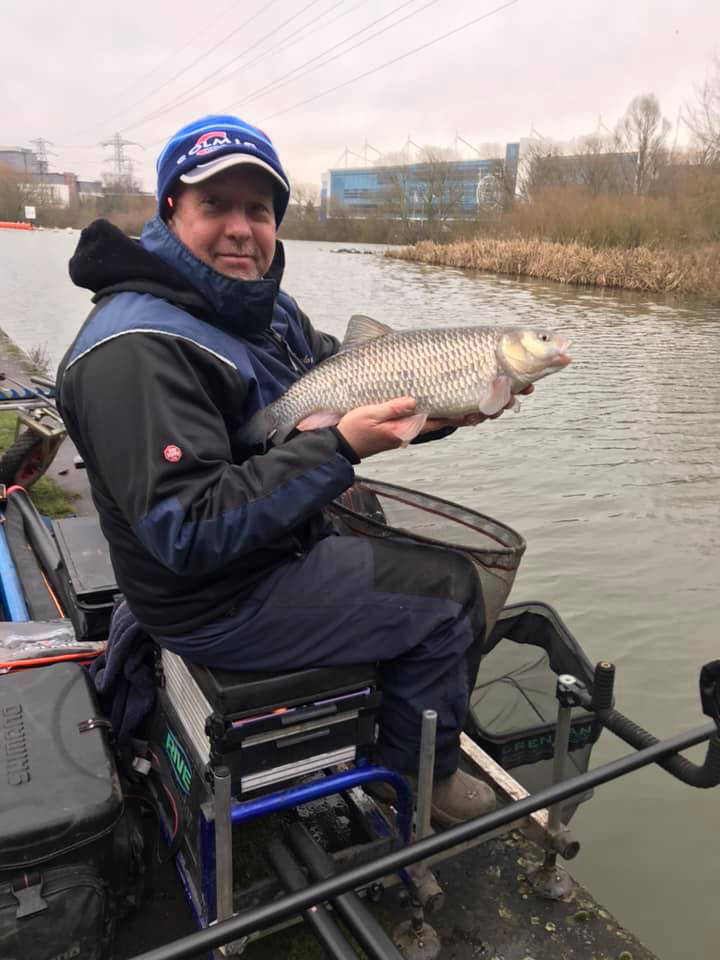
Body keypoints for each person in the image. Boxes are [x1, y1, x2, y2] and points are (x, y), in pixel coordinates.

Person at [58, 115, 524, 826]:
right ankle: (416, 775)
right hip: (214, 598)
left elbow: (362, 385)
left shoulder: (263, 311)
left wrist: (450, 403)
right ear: (171, 210)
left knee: (376, 526)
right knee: (451, 593)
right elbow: (188, 530)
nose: (241, 229)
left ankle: (381, 707)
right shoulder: (133, 350)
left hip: (266, 547)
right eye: (216, 205)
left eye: (258, 210)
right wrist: (340, 449)